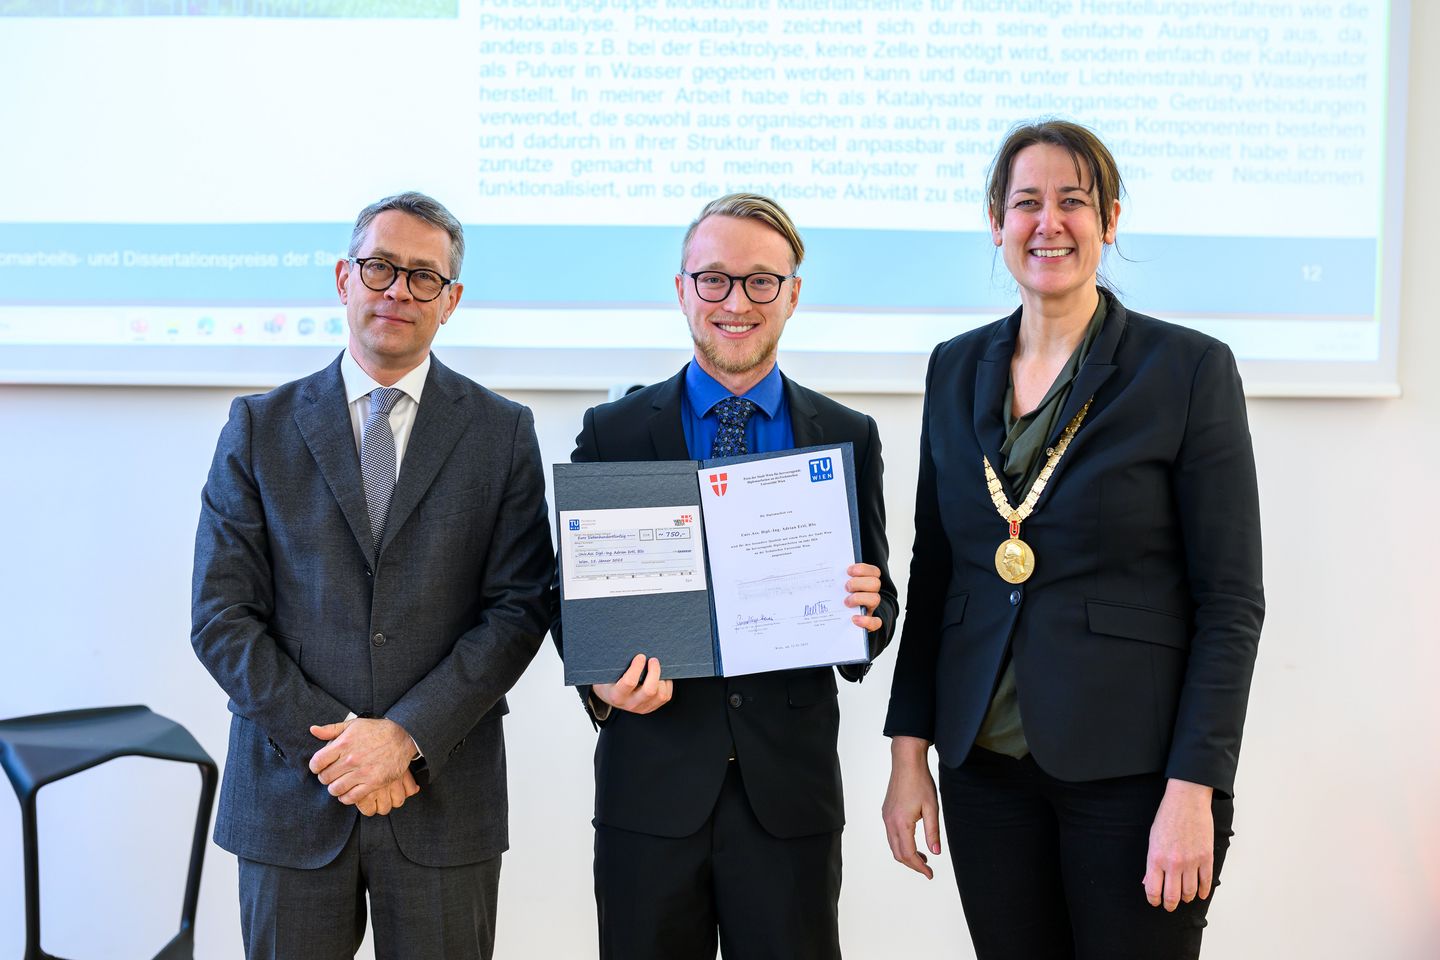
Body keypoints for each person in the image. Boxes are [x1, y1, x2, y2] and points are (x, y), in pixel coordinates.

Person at [881, 121, 1264, 959]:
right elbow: (935, 570)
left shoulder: (1187, 369)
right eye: (1026, 203)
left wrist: (1196, 787)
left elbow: (1231, 602)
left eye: (1073, 202)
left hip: (1134, 776)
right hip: (984, 767)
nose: (1048, 223)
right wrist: (910, 753)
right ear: (996, 223)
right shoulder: (954, 367)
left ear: (1110, 221)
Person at [191, 191, 554, 960]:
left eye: (424, 277)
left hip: (443, 796)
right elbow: (221, 616)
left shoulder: (501, 432)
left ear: (450, 302)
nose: (397, 290)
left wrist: (407, 738)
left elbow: (519, 609)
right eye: (380, 267)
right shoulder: (258, 427)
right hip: (291, 798)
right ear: (342, 278)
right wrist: (341, 749)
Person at [556, 193, 898, 960]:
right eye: (713, 280)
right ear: (681, 289)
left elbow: (877, 596)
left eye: (760, 282)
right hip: (652, 792)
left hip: (789, 801)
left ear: (794, 293)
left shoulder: (845, 434)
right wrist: (601, 683)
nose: (735, 302)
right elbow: (569, 593)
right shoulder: (616, 431)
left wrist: (870, 614)